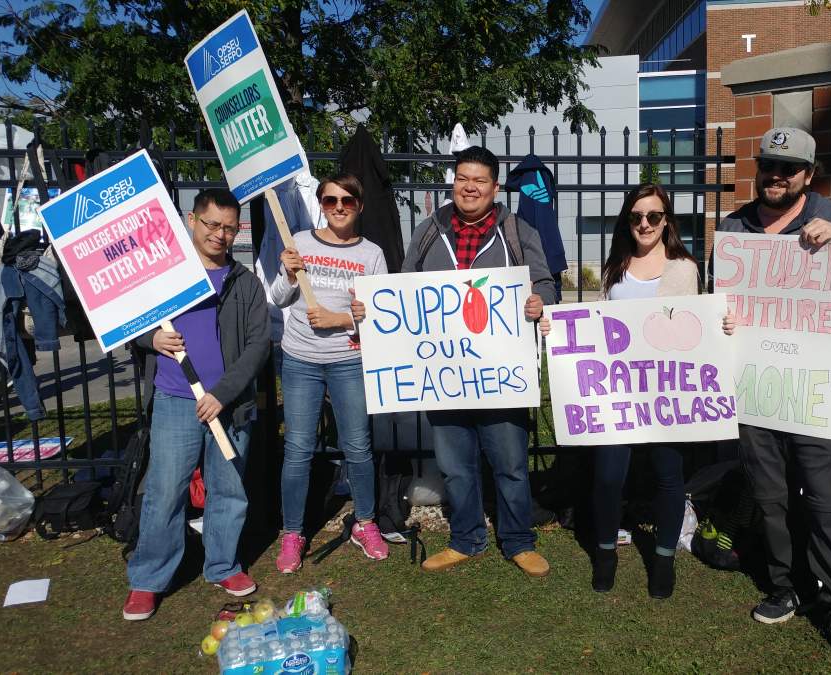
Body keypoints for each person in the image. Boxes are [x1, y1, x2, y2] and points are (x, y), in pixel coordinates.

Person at [714, 127, 831, 657]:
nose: (776, 176)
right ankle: (784, 586)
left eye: (788, 169)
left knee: (829, 502)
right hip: (758, 388)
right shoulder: (735, 227)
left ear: (808, 174)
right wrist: (724, 323)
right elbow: (721, 305)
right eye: (768, 166)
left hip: (818, 391)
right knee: (770, 497)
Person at [539, 184, 735, 598]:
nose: (644, 224)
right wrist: (556, 331)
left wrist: (723, 328)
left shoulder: (685, 268)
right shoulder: (616, 268)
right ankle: (606, 552)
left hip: (666, 397)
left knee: (669, 478)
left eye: (653, 216)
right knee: (608, 477)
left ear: (667, 220)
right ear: (627, 221)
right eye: (636, 217)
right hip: (618, 396)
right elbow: (597, 326)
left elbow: (695, 329)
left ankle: (663, 559)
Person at [402, 145, 557, 577]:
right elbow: (403, 288)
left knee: (509, 463)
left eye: (480, 180)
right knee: (454, 466)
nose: (470, 187)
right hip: (444, 372)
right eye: (462, 179)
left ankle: (518, 540)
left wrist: (538, 301)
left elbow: (546, 282)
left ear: (493, 186)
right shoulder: (428, 231)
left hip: (499, 374)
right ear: (454, 182)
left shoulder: (516, 230)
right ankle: (466, 538)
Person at [123, 188, 270, 621]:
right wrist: (150, 339)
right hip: (174, 398)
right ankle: (148, 579)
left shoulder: (244, 283)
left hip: (229, 404)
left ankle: (222, 565)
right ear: (192, 221)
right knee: (166, 490)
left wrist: (222, 394)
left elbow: (259, 345)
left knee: (229, 490)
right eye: (212, 225)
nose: (220, 235)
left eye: (229, 227)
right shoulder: (164, 277)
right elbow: (127, 325)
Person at [271, 173, 390, 573]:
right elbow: (278, 297)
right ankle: (292, 533)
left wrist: (341, 318)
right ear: (321, 204)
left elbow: (382, 313)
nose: (338, 207)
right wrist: (288, 273)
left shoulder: (371, 254)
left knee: (357, 447)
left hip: (348, 360)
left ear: (359, 205)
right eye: (330, 201)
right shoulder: (299, 243)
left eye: (347, 201)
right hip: (300, 360)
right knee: (298, 450)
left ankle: (365, 522)